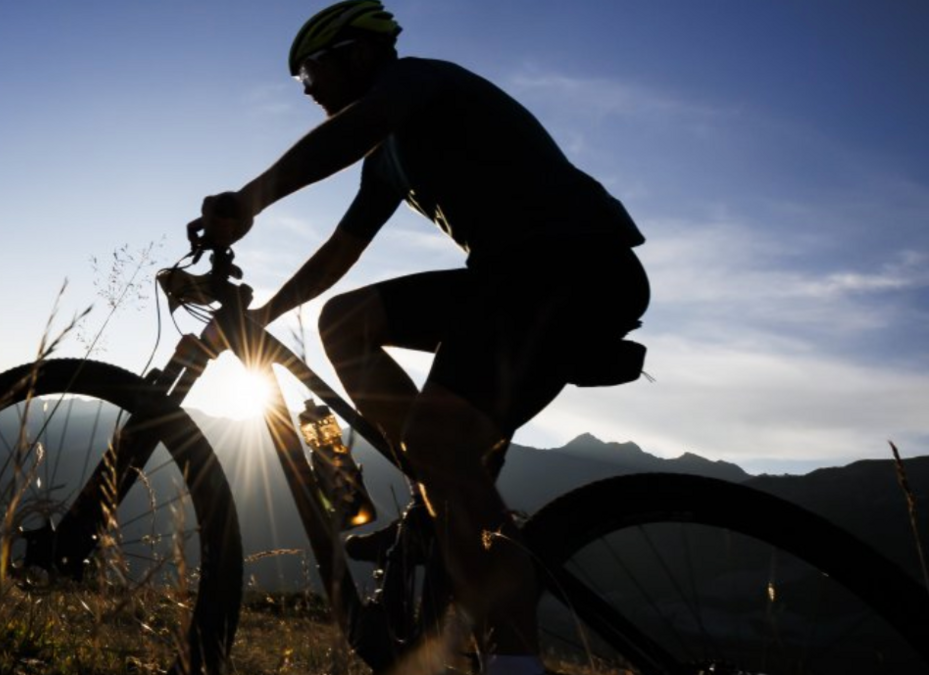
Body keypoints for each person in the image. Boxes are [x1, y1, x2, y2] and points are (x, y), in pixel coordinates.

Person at [186, 2, 650, 673]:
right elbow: (340, 250)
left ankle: (515, 661)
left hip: (571, 265)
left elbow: (356, 127)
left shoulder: (420, 84)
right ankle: (429, 483)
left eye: (309, 71)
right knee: (345, 322)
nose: (307, 89)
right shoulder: (390, 159)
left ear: (357, 53)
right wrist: (266, 315)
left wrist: (247, 201)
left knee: (438, 442)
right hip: (511, 282)